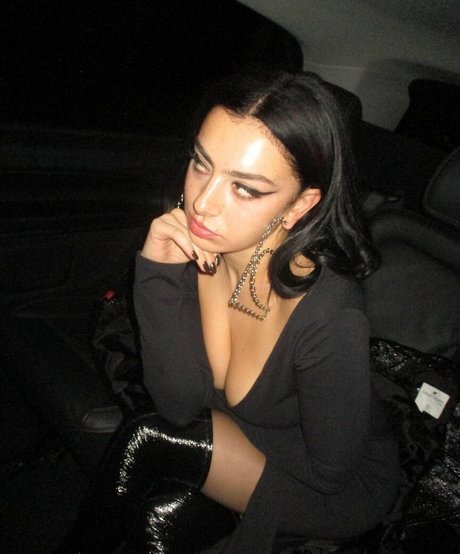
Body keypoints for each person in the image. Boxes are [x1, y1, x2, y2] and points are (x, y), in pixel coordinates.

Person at [61, 70, 402, 553]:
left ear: (299, 205)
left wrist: (225, 443)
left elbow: (331, 472)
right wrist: (158, 273)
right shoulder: (197, 247)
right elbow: (180, 404)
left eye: (246, 188)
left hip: (334, 489)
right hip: (243, 442)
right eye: (201, 164)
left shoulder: (329, 313)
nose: (203, 203)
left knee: (150, 439)